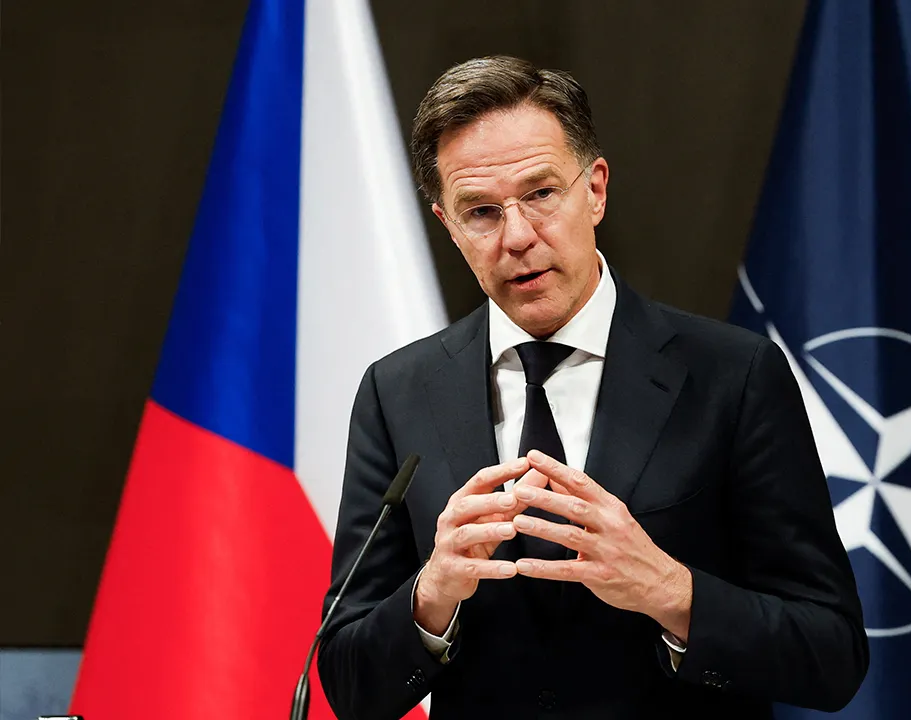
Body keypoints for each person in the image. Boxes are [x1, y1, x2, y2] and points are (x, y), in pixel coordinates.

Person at [317, 55, 868, 720]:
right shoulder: (397, 391)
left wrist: (669, 590)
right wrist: (431, 594)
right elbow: (347, 683)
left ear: (596, 190)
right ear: (448, 225)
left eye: (541, 194)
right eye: (481, 212)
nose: (518, 237)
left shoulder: (733, 375)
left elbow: (830, 652)